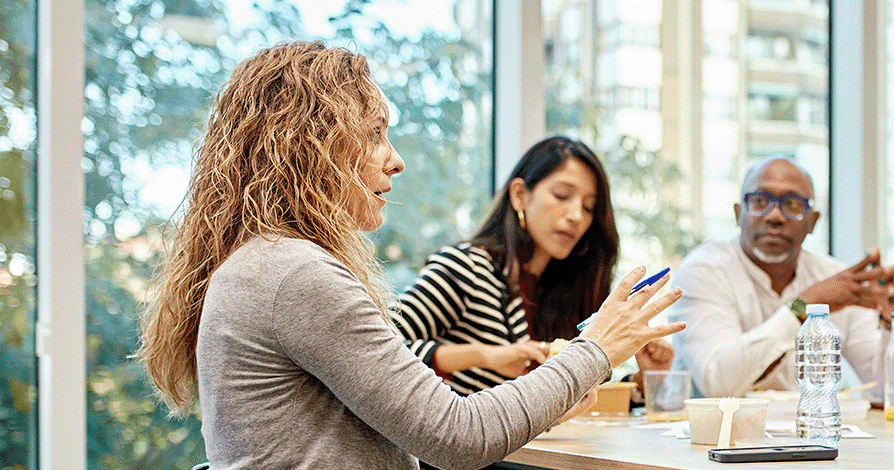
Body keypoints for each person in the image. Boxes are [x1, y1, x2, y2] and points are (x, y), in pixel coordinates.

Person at [133, 41, 685, 469]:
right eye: (375, 134)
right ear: (309, 143)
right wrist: (598, 348)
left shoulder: (268, 263)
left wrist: (558, 393)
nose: (395, 161)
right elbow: (456, 437)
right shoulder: (293, 274)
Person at [389, 136, 671, 404]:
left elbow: (581, 394)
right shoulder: (466, 267)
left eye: (588, 207)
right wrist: (482, 355)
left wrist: (645, 377)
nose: (576, 216)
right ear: (520, 195)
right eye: (562, 195)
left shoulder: (566, 288)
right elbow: (379, 352)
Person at [669, 156, 894, 399]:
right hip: (714, 435)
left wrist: (893, 325)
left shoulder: (836, 279)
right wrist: (801, 307)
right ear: (738, 214)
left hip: (810, 431)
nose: (775, 216)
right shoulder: (703, 272)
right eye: (760, 201)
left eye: (791, 204)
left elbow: (884, 388)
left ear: (812, 221)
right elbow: (718, 385)